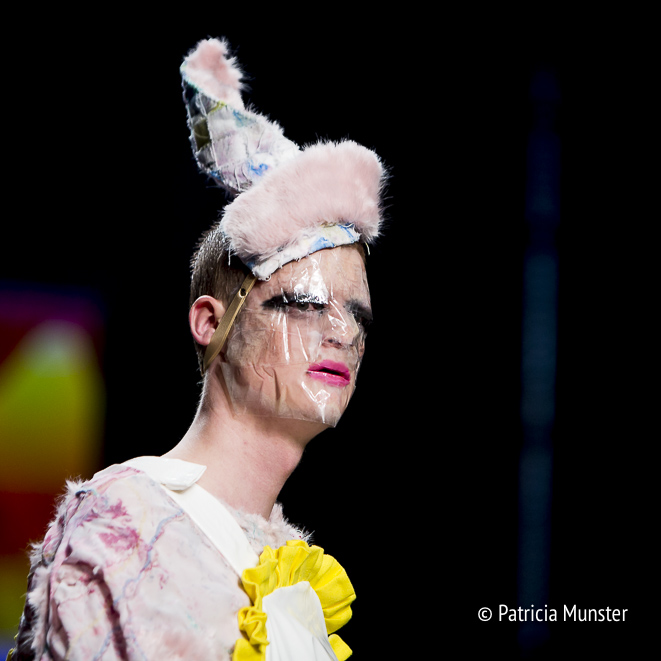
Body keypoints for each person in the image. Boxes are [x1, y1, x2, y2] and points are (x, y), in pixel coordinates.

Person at [9, 37, 386, 661]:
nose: (342, 333)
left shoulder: (295, 575)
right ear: (211, 322)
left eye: (359, 317)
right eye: (307, 303)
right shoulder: (127, 520)